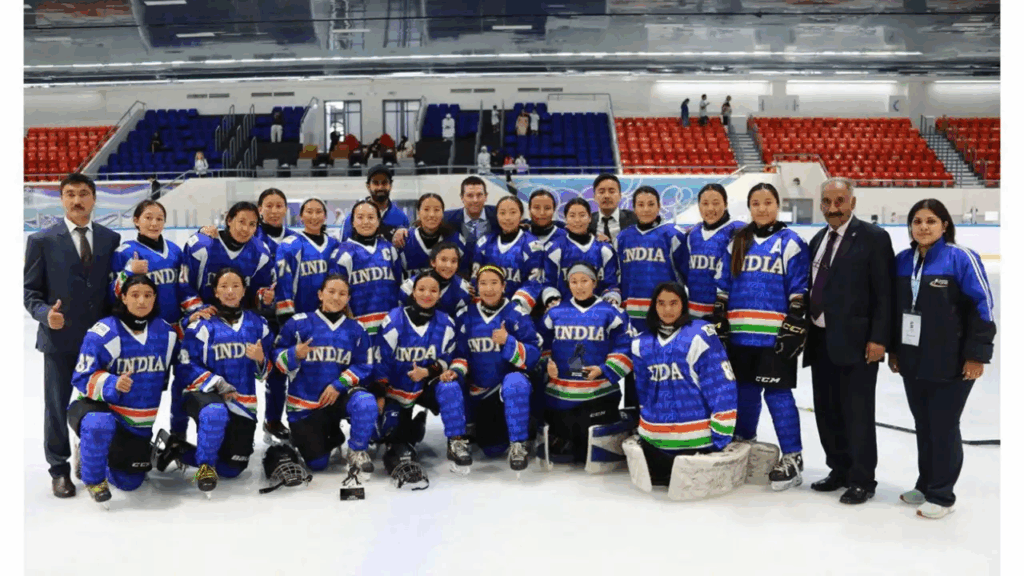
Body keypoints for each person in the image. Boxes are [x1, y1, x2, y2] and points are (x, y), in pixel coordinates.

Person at [888, 198, 995, 520]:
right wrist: (895, 349)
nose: (923, 227)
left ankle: (942, 494)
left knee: (944, 425)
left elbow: (983, 309)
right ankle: (925, 483)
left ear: (944, 225)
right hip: (912, 358)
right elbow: (896, 312)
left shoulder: (960, 258)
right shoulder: (903, 260)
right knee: (924, 424)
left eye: (931, 221)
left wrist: (977, 356)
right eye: (917, 221)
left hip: (952, 360)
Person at [24, 173, 121, 498]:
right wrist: (44, 315)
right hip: (60, 340)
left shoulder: (110, 239)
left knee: (104, 400)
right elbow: (31, 293)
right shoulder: (42, 241)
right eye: (70, 194)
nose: (77, 200)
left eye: (83, 193)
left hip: (101, 342)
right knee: (57, 406)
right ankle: (60, 469)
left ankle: (97, 456)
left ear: (94, 198)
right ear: (61, 199)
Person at [711, 182, 810, 492]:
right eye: (756, 203)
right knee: (745, 392)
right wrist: (720, 318)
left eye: (768, 202)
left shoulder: (791, 242)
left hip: (773, 337)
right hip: (740, 335)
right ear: (749, 207)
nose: (762, 208)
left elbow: (799, 290)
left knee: (778, 396)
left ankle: (793, 456)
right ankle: (744, 442)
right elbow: (723, 287)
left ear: (777, 205)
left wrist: (794, 324)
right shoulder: (737, 241)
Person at [802, 177, 895, 505]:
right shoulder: (817, 239)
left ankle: (861, 479)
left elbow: (885, 294)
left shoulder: (873, 238)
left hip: (857, 343)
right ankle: (838, 469)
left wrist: (880, 338)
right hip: (821, 340)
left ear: (852, 203)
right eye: (827, 202)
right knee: (827, 411)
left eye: (839, 201)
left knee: (856, 412)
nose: (832, 208)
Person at [162, 267, 275, 492]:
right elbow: (185, 367)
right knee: (215, 413)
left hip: (243, 403)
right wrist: (216, 383)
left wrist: (261, 359)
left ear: (244, 291)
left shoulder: (258, 324)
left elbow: (265, 372)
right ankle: (206, 466)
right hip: (205, 396)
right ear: (215, 291)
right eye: (223, 286)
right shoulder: (202, 325)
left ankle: (179, 449)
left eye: (236, 286)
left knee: (233, 467)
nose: (230, 291)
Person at [68, 275, 179, 503]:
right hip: (98, 409)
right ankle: (92, 475)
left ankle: (114, 455)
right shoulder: (104, 332)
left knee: (130, 482)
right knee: (100, 424)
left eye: (148, 295)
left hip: (138, 423)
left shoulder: (166, 334)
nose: (141, 301)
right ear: (123, 298)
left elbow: (181, 369)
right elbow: (81, 377)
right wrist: (112, 383)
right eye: (135, 295)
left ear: (155, 298)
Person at [174, 202, 276, 442]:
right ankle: (177, 439)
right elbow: (183, 282)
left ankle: (230, 435)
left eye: (252, 224)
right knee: (187, 375)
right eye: (241, 221)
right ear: (228, 220)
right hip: (202, 321)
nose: (246, 228)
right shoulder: (202, 245)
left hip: (232, 324)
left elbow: (257, 291)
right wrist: (198, 310)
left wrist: (264, 297)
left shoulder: (260, 253)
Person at [630, 282, 737, 486]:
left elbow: (722, 387)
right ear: (654, 306)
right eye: (661, 303)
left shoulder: (701, 335)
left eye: (673, 303)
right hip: (654, 442)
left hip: (697, 443)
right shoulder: (640, 342)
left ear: (683, 304)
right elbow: (643, 392)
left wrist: (721, 436)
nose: (667, 309)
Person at [272, 275, 377, 474]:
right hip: (305, 405)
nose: (336, 297)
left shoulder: (356, 329)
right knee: (317, 465)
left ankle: (357, 450)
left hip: (337, 398)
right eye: (331, 291)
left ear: (348, 299)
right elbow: (276, 360)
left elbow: (364, 364)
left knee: (365, 401)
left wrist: (339, 384)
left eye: (342, 293)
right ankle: (327, 436)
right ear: (320, 294)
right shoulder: (298, 323)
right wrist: (294, 354)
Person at [373, 273, 473, 470]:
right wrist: (380, 394)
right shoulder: (394, 319)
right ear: (413, 292)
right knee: (389, 433)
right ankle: (414, 427)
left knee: (450, 387)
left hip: (426, 386)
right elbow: (380, 360)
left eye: (433, 290)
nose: (427, 294)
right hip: (396, 389)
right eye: (421, 289)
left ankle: (456, 441)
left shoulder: (446, 323)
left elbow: (448, 359)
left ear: (439, 295)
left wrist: (428, 371)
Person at [538, 263, 634, 464]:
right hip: (560, 395)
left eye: (584, 281)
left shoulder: (611, 313)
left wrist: (604, 369)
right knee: (563, 447)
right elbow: (540, 343)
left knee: (583, 452)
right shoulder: (555, 313)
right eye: (574, 281)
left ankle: (620, 425)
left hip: (599, 394)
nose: (579, 286)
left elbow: (626, 347)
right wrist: (547, 363)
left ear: (594, 282)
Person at [449, 266, 542, 470]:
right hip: (480, 395)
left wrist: (508, 341)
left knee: (515, 381)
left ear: (504, 286)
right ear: (476, 286)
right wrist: (454, 371)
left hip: (506, 391)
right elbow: (460, 355)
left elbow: (533, 356)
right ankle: (466, 431)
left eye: (494, 283)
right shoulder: (466, 315)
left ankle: (519, 444)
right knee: (492, 448)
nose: (489, 289)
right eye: (483, 283)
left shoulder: (517, 314)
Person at [615, 186, 688, 332]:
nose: (646, 209)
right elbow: (617, 275)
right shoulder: (623, 237)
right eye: (641, 205)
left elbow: (686, 274)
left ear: (659, 206)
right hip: (631, 312)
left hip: (666, 312)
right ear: (634, 208)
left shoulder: (674, 234)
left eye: (651, 204)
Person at [330, 200, 404, 338]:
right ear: (352, 222)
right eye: (360, 217)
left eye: (371, 217)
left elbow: (399, 286)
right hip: (357, 329)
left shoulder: (389, 249)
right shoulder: (342, 254)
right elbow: (337, 297)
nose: (366, 222)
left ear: (378, 221)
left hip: (390, 326)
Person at [111, 200, 187, 330]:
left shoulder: (175, 250)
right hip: (141, 327)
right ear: (136, 221)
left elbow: (185, 287)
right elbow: (113, 293)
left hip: (175, 325)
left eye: (159, 219)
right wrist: (128, 271)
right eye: (148, 218)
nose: (154, 223)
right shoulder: (124, 252)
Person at [542, 197, 620, 309]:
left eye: (582, 215)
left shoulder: (605, 249)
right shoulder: (555, 249)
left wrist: (609, 305)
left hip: (598, 315)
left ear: (589, 218)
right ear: (565, 219)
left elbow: (611, 285)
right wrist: (554, 303)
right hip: (565, 314)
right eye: (572, 215)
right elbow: (549, 284)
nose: (577, 220)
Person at [472, 195, 546, 314]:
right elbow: (475, 279)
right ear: (496, 216)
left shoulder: (533, 245)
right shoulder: (484, 243)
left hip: (519, 311)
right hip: (487, 308)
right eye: (502, 213)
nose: (507, 218)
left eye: (513, 212)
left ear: (521, 215)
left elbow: (534, 282)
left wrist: (516, 307)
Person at [685, 183, 745, 318]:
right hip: (694, 312)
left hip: (727, 314)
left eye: (716, 203)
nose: (710, 208)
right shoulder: (692, 234)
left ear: (726, 204)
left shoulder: (738, 231)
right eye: (705, 203)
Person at [274, 198, 340, 319]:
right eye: (309, 212)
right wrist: (286, 317)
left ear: (325, 216)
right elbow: (284, 284)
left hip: (331, 315)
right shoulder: (289, 246)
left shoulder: (334, 245)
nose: (314, 217)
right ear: (301, 217)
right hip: (301, 316)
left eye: (319, 212)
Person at [395, 193, 466, 279]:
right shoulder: (404, 239)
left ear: (443, 213)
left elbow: (462, 274)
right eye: (426, 209)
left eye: (436, 210)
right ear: (418, 213)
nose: (431, 215)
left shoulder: (456, 240)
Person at [401, 242, 474, 320]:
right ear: (433, 262)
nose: (448, 265)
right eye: (443, 260)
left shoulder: (464, 290)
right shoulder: (409, 286)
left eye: (454, 261)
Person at [341, 165, 411, 240]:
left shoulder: (401, 218)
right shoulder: (354, 217)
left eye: (384, 183)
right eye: (375, 183)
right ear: (368, 186)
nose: (380, 187)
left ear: (390, 185)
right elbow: (345, 246)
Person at [442, 175, 499, 267]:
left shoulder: (498, 214)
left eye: (479, 195)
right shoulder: (447, 218)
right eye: (470, 195)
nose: (475, 200)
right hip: (459, 273)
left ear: (486, 196)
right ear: (462, 197)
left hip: (491, 272)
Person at [588, 173, 638, 248]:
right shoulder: (588, 222)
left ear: (620, 196)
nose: (606, 196)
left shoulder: (634, 219)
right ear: (594, 197)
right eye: (601, 192)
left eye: (611, 191)